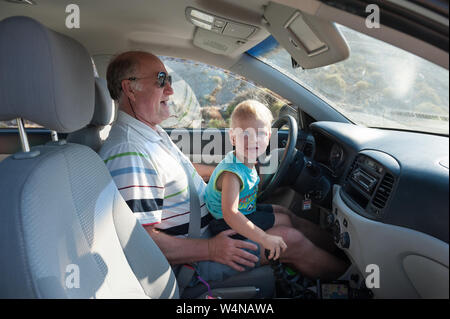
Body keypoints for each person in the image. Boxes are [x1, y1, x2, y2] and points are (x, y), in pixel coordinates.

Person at [99, 51, 348, 285]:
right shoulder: (129, 152)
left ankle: (346, 257)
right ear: (130, 88)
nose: (170, 89)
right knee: (289, 238)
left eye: (169, 79)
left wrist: (230, 173)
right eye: (160, 80)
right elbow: (141, 243)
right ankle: (353, 282)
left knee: (285, 215)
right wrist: (211, 249)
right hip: (196, 256)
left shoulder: (149, 134)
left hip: (210, 227)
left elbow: (185, 171)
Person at [205, 100, 289, 261]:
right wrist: (264, 238)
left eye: (260, 134)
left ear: (269, 136)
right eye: (245, 134)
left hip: (244, 211)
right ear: (233, 137)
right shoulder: (232, 174)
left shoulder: (246, 161)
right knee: (285, 220)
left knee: (283, 210)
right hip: (225, 224)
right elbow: (231, 213)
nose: (253, 140)